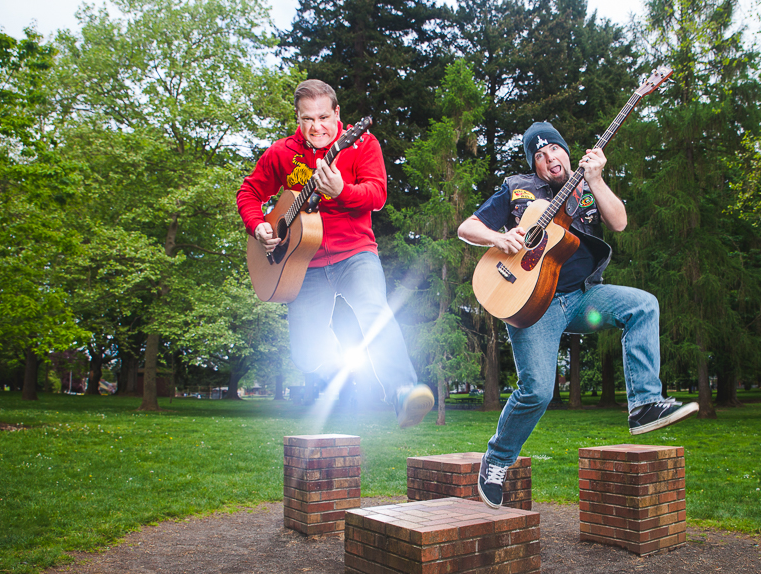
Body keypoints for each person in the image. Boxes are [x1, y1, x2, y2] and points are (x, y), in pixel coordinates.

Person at [457, 121, 698, 508]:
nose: (549, 156)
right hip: (533, 302)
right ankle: (497, 460)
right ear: (533, 165)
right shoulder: (517, 189)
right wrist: (500, 238)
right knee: (537, 391)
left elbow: (619, 222)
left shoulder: (589, 184)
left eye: (554, 148)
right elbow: (467, 227)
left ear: (567, 151)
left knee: (643, 305)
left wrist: (598, 180)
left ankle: (644, 405)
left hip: (585, 297)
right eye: (538, 155)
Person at [237, 79, 433, 427]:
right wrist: (259, 226)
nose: (317, 127)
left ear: (338, 113)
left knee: (374, 309)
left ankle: (403, 390)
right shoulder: (282, 152)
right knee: (306, 355)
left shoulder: (361, 143)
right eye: (307, 119)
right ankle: (344, 367)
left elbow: (377, 195)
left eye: (324, 117)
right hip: (302, 264)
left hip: (355, 253)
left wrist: (341, 190)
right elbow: (249, 191)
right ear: (297, 118)